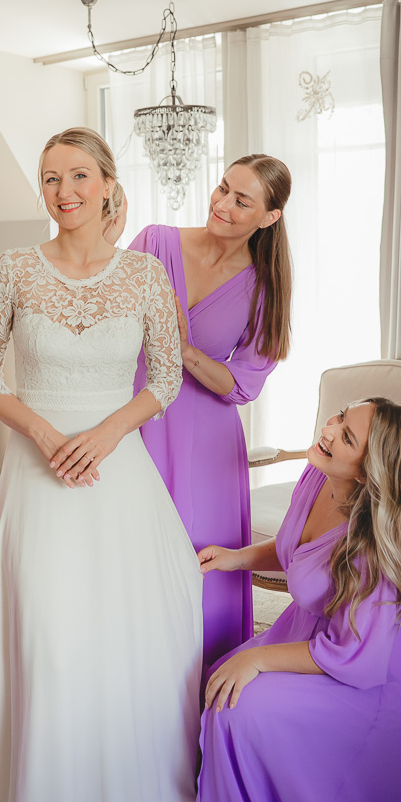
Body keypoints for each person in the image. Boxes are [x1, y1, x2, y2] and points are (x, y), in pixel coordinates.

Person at [0, 127, 204, 802]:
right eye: (51, 177)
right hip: (38, 469)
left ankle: (115, 791)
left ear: (107, 183)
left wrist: (107, 433)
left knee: (125, 630)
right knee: (50, 633)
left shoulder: (146, 273)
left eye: (79, 175)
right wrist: (47, 435)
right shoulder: (14, 269)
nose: (64, 192)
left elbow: (166, 375)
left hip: (116, 471)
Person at [194, 398, 401, 802]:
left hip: (374, 677)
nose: (329, 429)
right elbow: (294, 549)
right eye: (340, 416)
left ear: (368, 471)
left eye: (347, 436)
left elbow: (351, 655)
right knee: (218, 678)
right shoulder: (320, 473)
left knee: (235, 706)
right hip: (323, 637)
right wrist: (235, 559)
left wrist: (258, 658)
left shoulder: (372, 551)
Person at [126, 155, 292, 674]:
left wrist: (183, 351)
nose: (222, 204)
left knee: (200, 565)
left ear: (269, 217)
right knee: (131, 552)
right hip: (135, 421)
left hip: (207, 443)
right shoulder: (154, 243)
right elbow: (106, 319)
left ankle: (202, 686)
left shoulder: (265, 287)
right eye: (223, 189)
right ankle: (129, 681)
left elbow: (243, 384)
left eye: (242, 201)